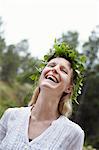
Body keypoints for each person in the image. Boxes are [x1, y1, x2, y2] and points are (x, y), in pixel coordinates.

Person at [0, 41, 86, 150]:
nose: (54, 69)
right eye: (51, 65)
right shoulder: (10, 116)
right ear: (41, 75)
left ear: (69, 88)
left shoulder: (74, 134)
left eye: (63, 70)